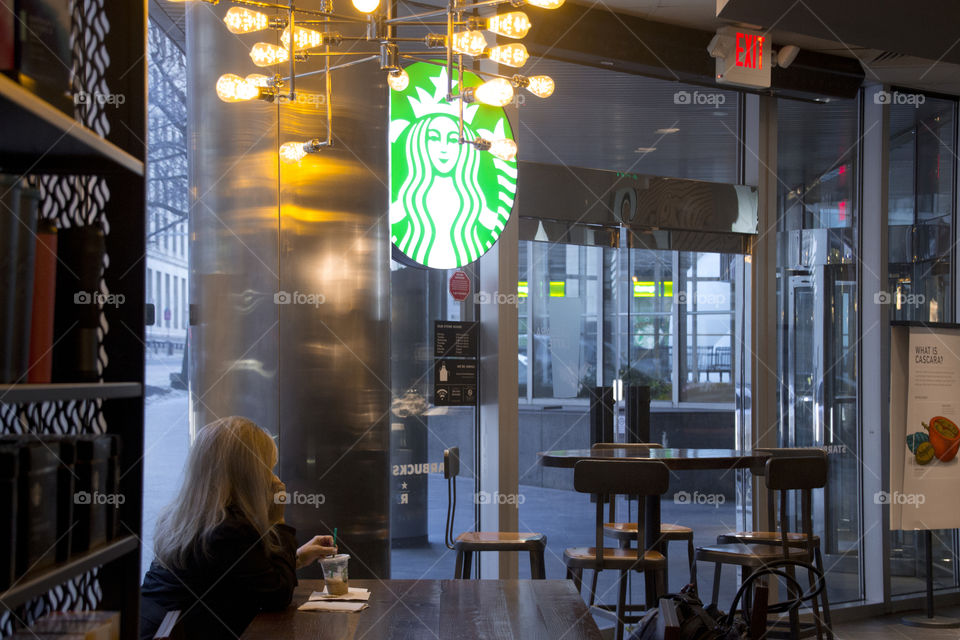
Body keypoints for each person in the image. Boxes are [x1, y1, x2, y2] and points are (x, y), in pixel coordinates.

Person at [140, 416, 336, 639]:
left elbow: (245, 576)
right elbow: (276, 595)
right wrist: (277, 521)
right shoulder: (228, 530)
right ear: (247, 476)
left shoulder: (185, 518)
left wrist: (297, 557)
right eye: (268, 469)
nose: (275, 479)